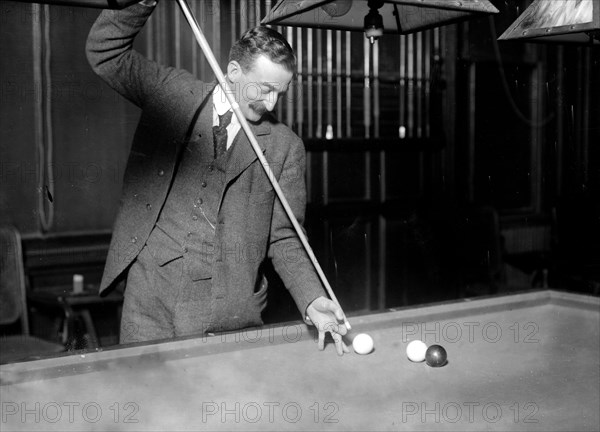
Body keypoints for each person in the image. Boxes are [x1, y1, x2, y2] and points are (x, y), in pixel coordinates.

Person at [86, 0, 349, 355]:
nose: (271, 105)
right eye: (265, 89)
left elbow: (284, 237)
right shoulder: (172, 95)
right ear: (234, 71)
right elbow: (106, 53)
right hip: (149, 303)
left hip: (226, 313)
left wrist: (311, 297)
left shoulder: (285, 147)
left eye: (280, 94)